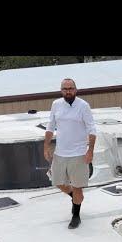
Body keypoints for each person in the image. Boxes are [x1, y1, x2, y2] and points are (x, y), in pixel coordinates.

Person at [44, 78, 97, 229]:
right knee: (58, 182)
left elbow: (92, 129)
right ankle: (75, 197)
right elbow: (50, 126)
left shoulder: (83, 106)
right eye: (65, 88)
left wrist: (90, 151)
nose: (68, 91)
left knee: (78, 186)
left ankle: (76, 215)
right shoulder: (56, 104)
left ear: (76, 89)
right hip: (60, 153)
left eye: (71, 88)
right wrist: (46, 146)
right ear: (61, 90)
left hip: (79, 153)